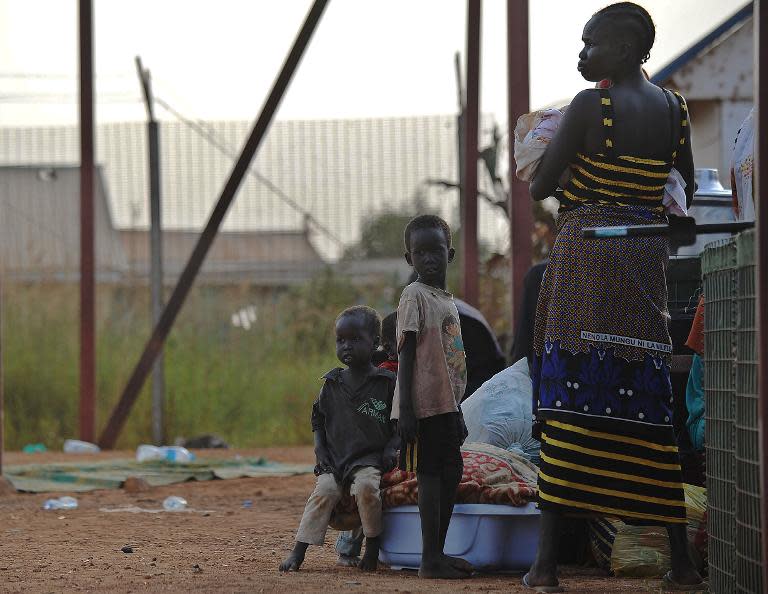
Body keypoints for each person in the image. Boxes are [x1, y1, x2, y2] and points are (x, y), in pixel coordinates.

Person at [522, 3, 704, 592]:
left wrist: (572, 168)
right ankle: (680, 565)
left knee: (569, 400)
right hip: (643, 266)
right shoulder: (675, 111)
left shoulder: (589, 107)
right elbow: (689, 188)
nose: (582, 56)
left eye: (589, 44)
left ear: (624, 50)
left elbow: (542, 185)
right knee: (650, 409)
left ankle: (546, 567)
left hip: (586, 263)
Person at [279, 306, 400, 573]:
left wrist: (392, 446)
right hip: (335, 460)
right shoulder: (332, 383)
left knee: (367, 488)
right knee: (324, 492)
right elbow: (318, 420)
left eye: (356, 339)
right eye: (341, 340)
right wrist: (319, 450)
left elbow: (398, 422)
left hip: (369, 459)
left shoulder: (386, 382)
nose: (347, 346)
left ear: (375, 343)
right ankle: (298, 551)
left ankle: (372, 550)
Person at [394, 214, 473, 579]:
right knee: (429, 474)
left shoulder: (446, 300)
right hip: (423, 406)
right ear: (409, 259)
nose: (428, 259)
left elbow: (448, 361)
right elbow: (406, 353)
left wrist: (456, 409)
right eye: (420, 253)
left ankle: (438, 552)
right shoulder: (413, 295)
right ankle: (429, 559)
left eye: (435, 251)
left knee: (451, 469)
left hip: (446, 404)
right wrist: (406, 409)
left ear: (449, 254)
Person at [335, 311, 398, 566]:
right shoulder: (381, 375)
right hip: (371, 450)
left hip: (392, 445)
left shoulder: (402, 371)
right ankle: (349, 548)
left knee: (367, 492)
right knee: (365, 490)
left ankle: (355, 548)